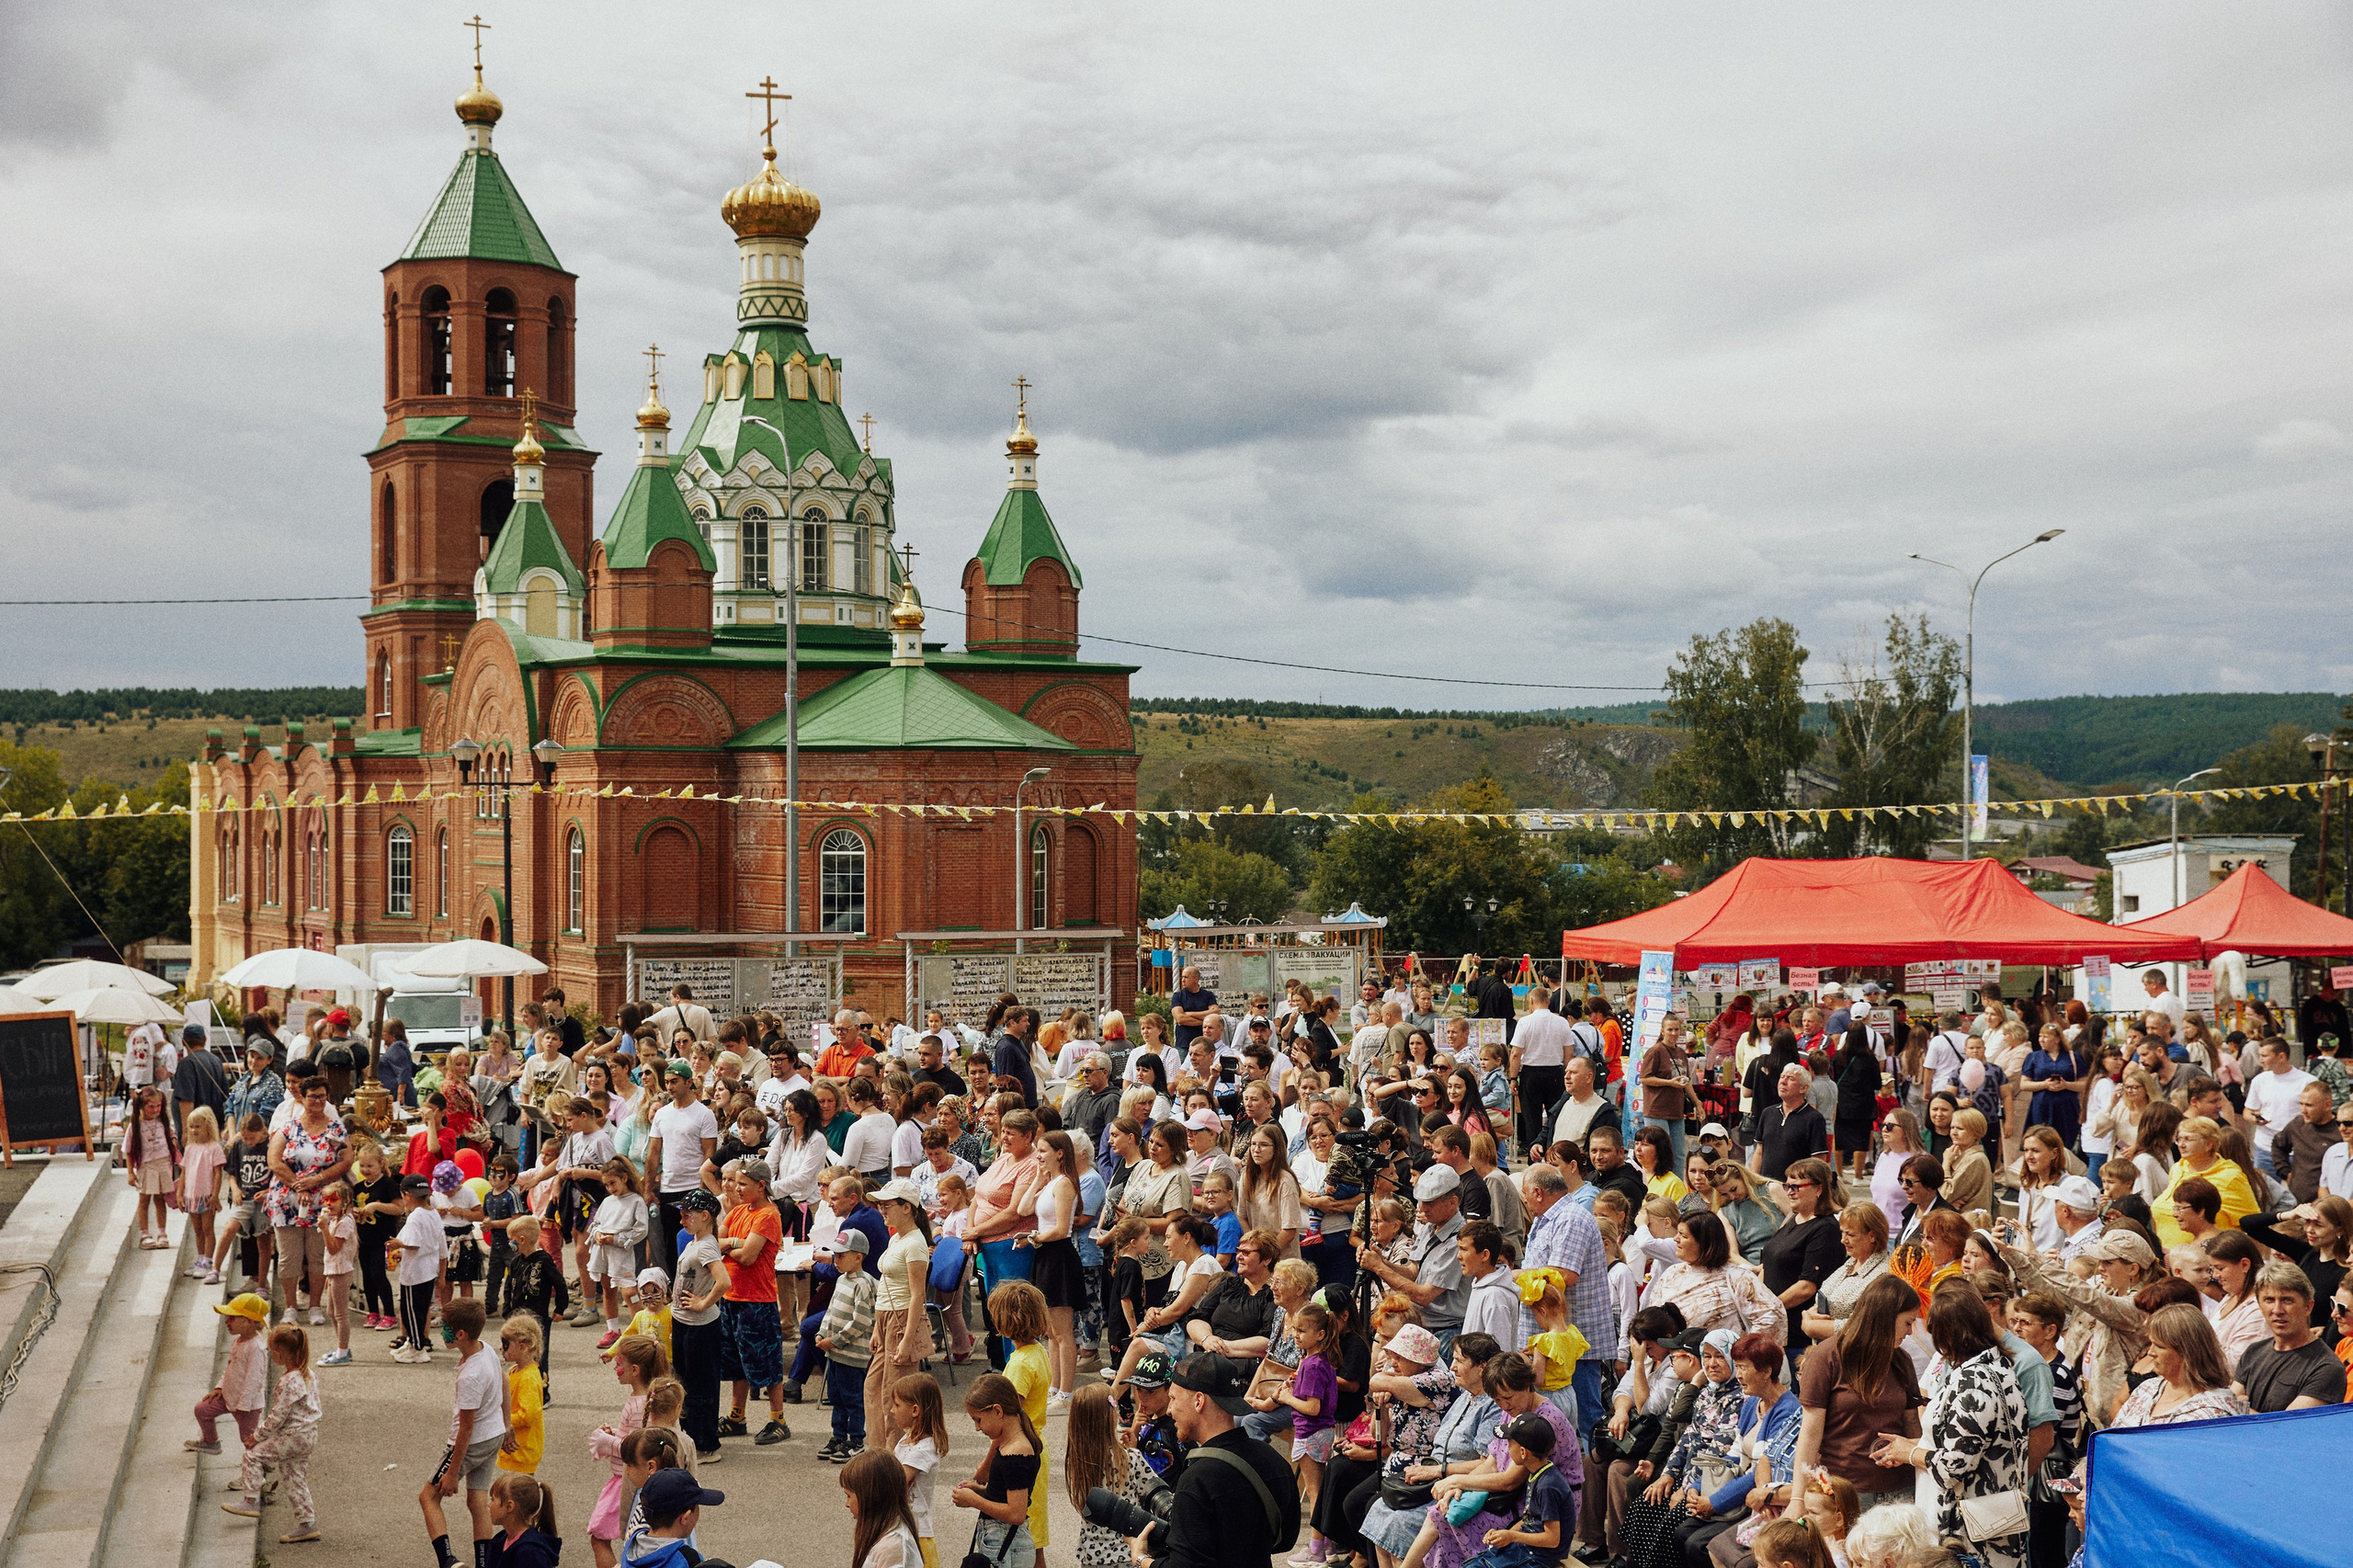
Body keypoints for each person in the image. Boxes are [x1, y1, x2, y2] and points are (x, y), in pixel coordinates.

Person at [1869, 1284, 2029, 1568]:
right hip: (1983, 1524)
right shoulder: (1995, 1368)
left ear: (1947, 1333)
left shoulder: (1974, 1383)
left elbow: (1953, 1467)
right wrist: (1908, 1447)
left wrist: (1910, 1453)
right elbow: (1965, 1446)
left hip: (1972, 1536)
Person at [1143, 1351, 1305, 1568]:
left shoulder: (1196, 1479)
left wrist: (1142, 1559)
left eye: (1173, 1398)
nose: (1170, 1410)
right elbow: (1286, 1540)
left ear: (1199, 1401)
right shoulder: (1275, 1462)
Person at [420, 1299, 508, 1568]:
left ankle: (448, 1561)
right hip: (493, 1436)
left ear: (460, 1334)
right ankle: (484, 1563)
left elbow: (466, 1428)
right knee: (477, 1500)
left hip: (472, 1443)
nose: (441, 1331)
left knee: (428, 1497)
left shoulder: (470, 1375)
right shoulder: (486, 1349)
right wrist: (507, 1425)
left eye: (445, 1327)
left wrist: (452, 1472)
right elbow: (504, 1380)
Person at [714, 1156, 790, 1447]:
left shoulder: (768, 1215)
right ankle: (737, 1416)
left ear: (761, 1185)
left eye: (743, 1184)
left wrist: (731, 1247)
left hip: (757, 1300)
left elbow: (748, 1257)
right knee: (736, 1362)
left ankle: (778, 1419)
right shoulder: (737, 1212)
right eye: (735, 1183)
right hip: (731, 1297)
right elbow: (715, 1244)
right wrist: (736, 1243)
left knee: (767, 1362)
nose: (736, 1188)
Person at [222, 1323, 322, 1543]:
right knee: (294, 1478)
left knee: (253, 1455)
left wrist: (257, 1436)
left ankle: (250, 1500)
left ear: (278, 1353)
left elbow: (278, 1416)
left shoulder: (288, 1381)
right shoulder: (309, 1375)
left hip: (294, 1436)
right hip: (308, 1435)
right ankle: (307, 1523)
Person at [1355, 1166, 1471, 1350]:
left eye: (1430, 1202)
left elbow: (1424, 1296)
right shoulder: (1430, 1227)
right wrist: (1382, 1260)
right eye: (1421, 1201)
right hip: (1424, 1327)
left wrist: (1378, 1268)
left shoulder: (1458, 1241)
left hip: (1445, 1333)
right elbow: (1413, 1271)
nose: (1422, 1208)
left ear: (1453, 1202)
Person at [2109, 1301, 2252, 1427]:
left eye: (2160, 1346)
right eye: (2151, 1343)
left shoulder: (2212, 1413)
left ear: (2187, 1352)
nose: (2150, 1352)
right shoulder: (2147, 1389)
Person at [952, 1371, 1043, 1568]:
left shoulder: (1016, 1453)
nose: (977, 1428)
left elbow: (1016, 1513)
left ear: (997, 1411)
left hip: (1006, 1547)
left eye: (978, 1420)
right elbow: (1007, 1494)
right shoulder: (1009, 1444)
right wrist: (980, 1491)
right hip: (1002, 1542)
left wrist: (973, 1501)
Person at [2232, 1260, 2346, 1410]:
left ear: (2308, 1307)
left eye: (2287, 1300)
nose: (2277, 1310)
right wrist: (2233, 1406)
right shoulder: (2253, 1352)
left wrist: (2239, 1407)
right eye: (2269, 1300)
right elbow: (2225, 1409)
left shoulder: (2326, 1367)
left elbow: (2287, 1424)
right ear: (2259, 1305)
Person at [643, 1062, 720, 1275]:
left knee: (696, 1243)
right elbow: (653, 1153)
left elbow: (709, 1153)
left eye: (674, 1081)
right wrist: (648, 1189)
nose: (670, 1086)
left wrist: (702, 1190)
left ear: (689, 1082)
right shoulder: (662, 1114)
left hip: (693, 1186)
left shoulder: (704, 1114)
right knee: (670, 1245)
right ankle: (674, 1288)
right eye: (667, 1082)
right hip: (668, 1187)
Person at [1762, 1158, 1847, 1348]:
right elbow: (1768, 1263)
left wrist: (1769, 1308)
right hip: (1772, 1323)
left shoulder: (1826, 1229)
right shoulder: (1793, 1219)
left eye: (1796, 1187)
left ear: (1819, 1189)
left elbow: (1808, 1286)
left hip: (1796, 1333)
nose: (1789, 1192)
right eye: (1787, 1186)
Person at [189, 1291, 270, 1456]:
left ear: (248, 1322)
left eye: (232, 1318)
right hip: (228, 1396)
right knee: (202, 1410)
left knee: (248, 1439)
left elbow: (254, 1379)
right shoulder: (237, 1341)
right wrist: (219, 1387)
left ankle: (259, 1465)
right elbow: (230, 1368)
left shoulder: (256, 1348)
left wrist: (244, 1405)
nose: (227, 1321)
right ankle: (211, 1442)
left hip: (247, 1405)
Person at [1754, 1065, 1829, 1183]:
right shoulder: (1768, 1113)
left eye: (1790, 1078)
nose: (1783, 1082)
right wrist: (1753, 1181)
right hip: (1766, 1186)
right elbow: (1759, 1151)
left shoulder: (1814, 1119)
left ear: (1803, 1088)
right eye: (1782, 1077)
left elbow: (1818, 1161)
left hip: (1794, 1188)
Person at [497, 1313, 548, 1480]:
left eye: (506, 1344)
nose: (501, 1348)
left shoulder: (528, 1378)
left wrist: (503, 1420)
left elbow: (528, 1415)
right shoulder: (515, 1370)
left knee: (519, 1490)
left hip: (522, 1449)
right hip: (515, 1448)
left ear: (522, 1346)